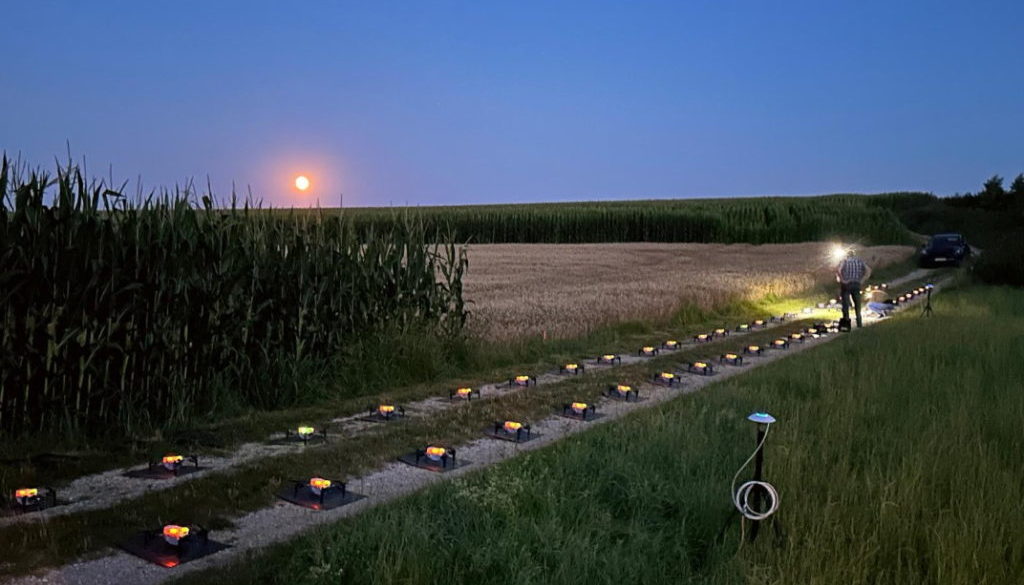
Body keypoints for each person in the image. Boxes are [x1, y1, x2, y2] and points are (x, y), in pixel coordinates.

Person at [835, 248, 871, 328]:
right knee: (857, 304)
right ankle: (859, 322)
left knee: (845, 304)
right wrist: (862, 280)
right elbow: (868, 270)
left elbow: (838, 271)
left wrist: (842, 280)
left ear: (847, 255)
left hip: (846, 285)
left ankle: (846, 324)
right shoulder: (859, 261)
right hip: (857, 284)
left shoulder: (844, 261)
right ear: (854, 254)